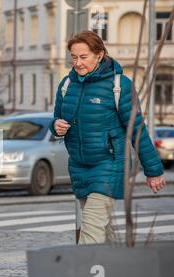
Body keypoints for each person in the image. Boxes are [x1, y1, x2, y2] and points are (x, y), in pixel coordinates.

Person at [50, 31, 166, 245]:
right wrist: (56, 126)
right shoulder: (67, 85)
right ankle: (115, 271)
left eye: (83, 57)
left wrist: (154, 171)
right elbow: (57, 118)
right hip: (79, 165)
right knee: (101, 227)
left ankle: (82, 274)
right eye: (73, 57)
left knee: (92, 227)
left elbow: (137, 129)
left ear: (99, 55)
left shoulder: (119, 86)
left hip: (110, 163)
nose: (77, 63)